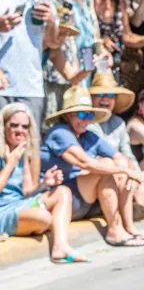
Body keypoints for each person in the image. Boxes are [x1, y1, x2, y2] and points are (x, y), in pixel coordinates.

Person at [40, 86, 144, 247]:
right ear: (68, 115)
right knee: (107, 166)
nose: (86, 120)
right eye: (81, 115)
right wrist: (126, 171)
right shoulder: (60, 133)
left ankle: (129, 226)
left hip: (84, 198)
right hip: (60, 199)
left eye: (89, 115)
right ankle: (115, 230)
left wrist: (129, 171)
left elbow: (120, 158)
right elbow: (85, 163)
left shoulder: (88, 136)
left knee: (118, 164)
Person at [0, 102, 86, 263]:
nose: (20, 130)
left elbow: (27, 191)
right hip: (2, 210)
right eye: (14, 125)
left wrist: (44, 184)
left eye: (25, 127)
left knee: (63, 192)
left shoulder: (24, 152)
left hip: (19, 204)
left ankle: (60, 246)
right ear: (4, 126)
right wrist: (10, 162)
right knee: (43, 218)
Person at [88, 70, 144, 214]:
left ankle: (140, 203)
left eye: (110, 95)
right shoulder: (87, 122)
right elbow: (98, 160)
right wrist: (127, 172)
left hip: (126, 175)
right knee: (118, 164)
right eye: (100, 94)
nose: (105, 99)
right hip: (104, 179)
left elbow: (128, 154)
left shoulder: (118, 123)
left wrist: (136, 177)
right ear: (91, 97)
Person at [0, 0, 60, 128]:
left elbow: (52, 42)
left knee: (31, 142)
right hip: (2, 86)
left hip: (31, 87)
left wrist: (51, 21)